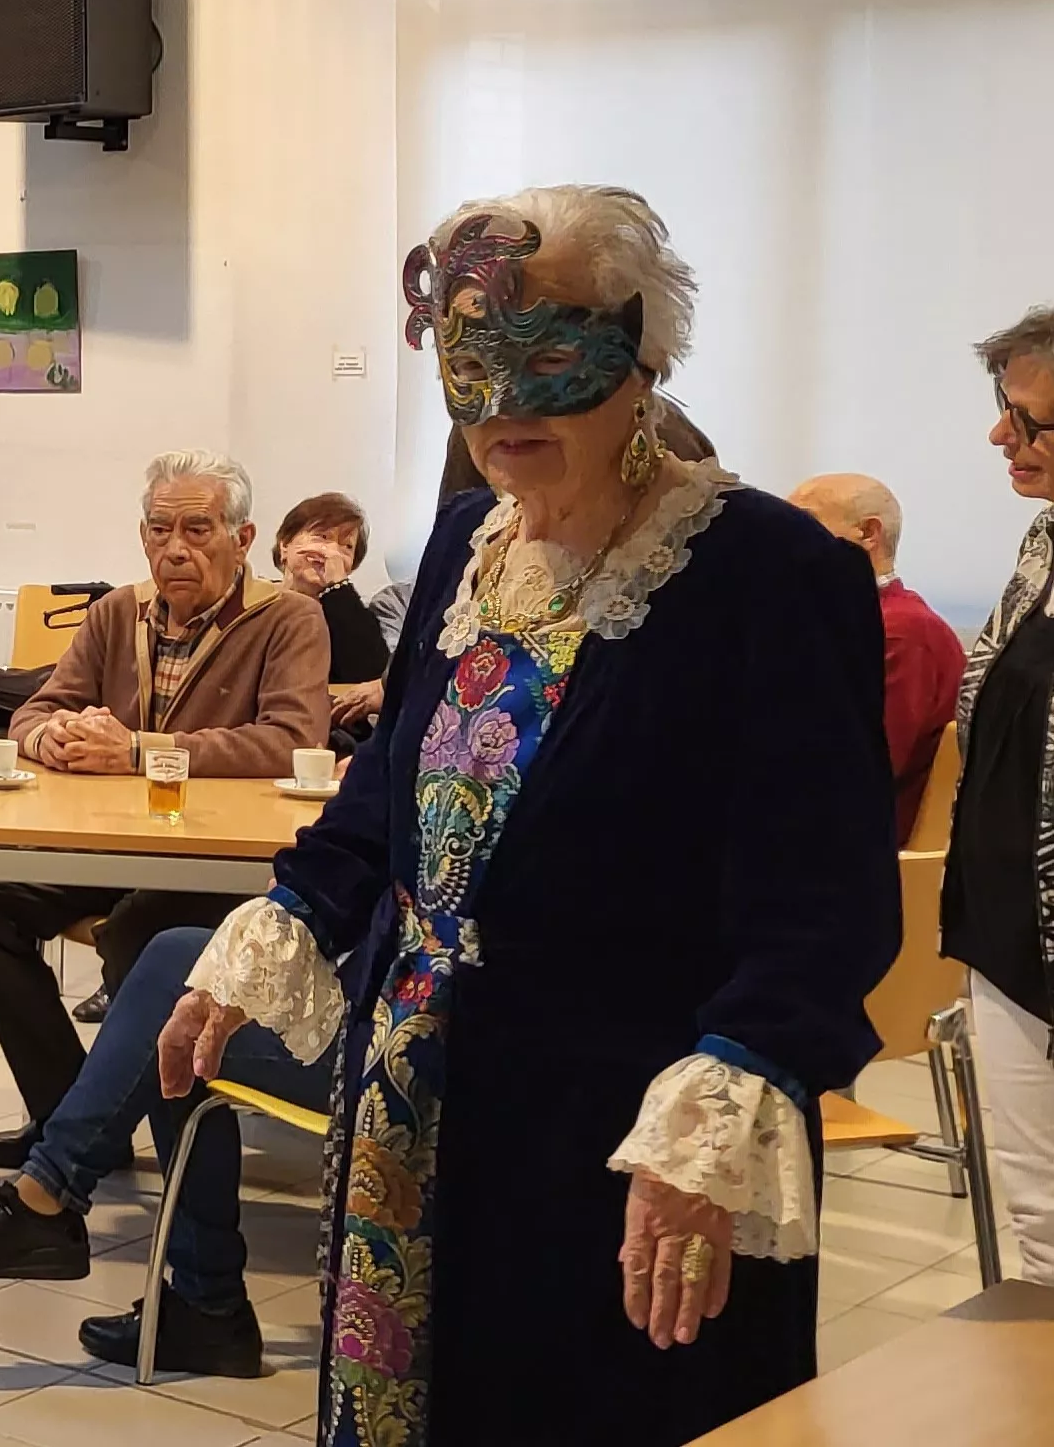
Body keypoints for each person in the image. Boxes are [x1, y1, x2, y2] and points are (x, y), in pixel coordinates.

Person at [166, 186, 895, 1443]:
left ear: (642, 353)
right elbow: (392, 780)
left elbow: (820, 893)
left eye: (551, 360)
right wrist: (284, 923)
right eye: (470, 368)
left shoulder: (766, 569)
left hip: (629, 1119)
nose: (503, 411)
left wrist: (728, 1098)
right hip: (418, 1078)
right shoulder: (465, 544)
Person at [0, 450, 327, 1168]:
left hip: (217, 859)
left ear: (241, 540)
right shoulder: (117, 611)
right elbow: (35, 708)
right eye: (158, 531)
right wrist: (50, 738)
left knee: (135, 935)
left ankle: (96, 1152)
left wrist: (138, 752)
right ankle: (67, 1113)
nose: (173, 549)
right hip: (113, 842)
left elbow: (288, 740)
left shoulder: (288, 619)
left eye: (196, 529)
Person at [0, 920, 324, 1375]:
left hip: (392, 1034)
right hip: (363, 983)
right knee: (174, 970)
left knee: (170, 993)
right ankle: (206, 1304)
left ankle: (48, 1193)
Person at [948, 308, 1054, 1282]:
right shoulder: (1044, 538)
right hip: (1008, 937)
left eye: (1026, 420)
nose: (999, 436)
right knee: (1039, 1239)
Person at [789, 474, 966, 847]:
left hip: (859, 852)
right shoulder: (852, 621)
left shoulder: (902, 632)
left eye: (803, 523)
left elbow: (856, 771)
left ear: (869, 533)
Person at [273, 491, 397, 736]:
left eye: (346, 547)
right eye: (322, 536)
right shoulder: (257, 602)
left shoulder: (351, 614)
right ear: (285, 546)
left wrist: (337, 587)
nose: (331, 551)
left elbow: (371, 676)